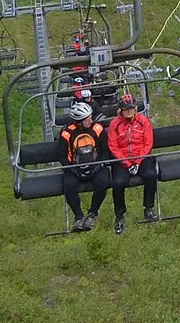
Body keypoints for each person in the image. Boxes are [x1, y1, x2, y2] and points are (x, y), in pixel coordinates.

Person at [105, 91, 162, 233]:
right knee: (118, 183)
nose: (129, 111)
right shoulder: (114, 125)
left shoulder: (143, 122)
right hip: (122, 160)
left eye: (131, 108)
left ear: (135, 108)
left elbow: (148, 143)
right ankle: (119, 215)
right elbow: (113, 146)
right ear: (121, 111)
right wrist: (127, 163)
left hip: (140, 157)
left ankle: (148, 207)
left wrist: (137, 161)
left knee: (150, 174)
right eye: (126, 109)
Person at [57, 99, 110, 231]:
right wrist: (74, 170)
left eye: (90, 118)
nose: (90, 121)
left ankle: (93, 213)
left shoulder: (97, 128)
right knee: (69, 186)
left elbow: (105, 151)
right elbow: (61, 155)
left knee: (103, 182)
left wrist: (98, 166)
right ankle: (78, 217)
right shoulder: (67, 133)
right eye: (87, 119)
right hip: (75, 167)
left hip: (95, 165)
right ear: (78, 122)